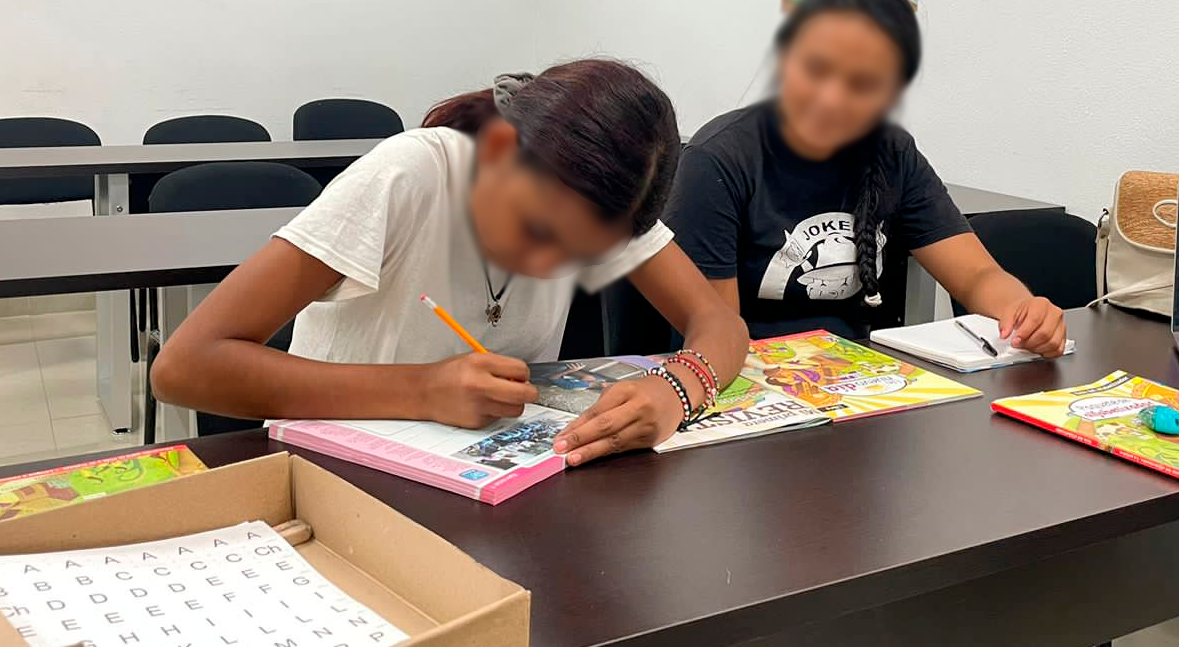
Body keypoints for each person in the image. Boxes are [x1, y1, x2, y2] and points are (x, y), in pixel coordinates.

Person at [641, 0, 1066, 647]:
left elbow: (974, 272)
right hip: (746, 431)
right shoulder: (722, 160)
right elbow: (714, 333)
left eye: (863, 83)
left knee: (976, 574)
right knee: (878, 581)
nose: (834, 98)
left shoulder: (890, 156)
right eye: (818, 70)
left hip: (862, 424)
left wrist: (1025, 310)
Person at [152, 60, 748, 465]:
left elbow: (720, 324)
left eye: (583, 255)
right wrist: (422, 390)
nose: (548, 264)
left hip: (481, 480)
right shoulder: (409, 176)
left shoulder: (606, 203)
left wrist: (677, 389)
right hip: (335, 465)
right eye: (537, 228)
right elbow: (184, 367)